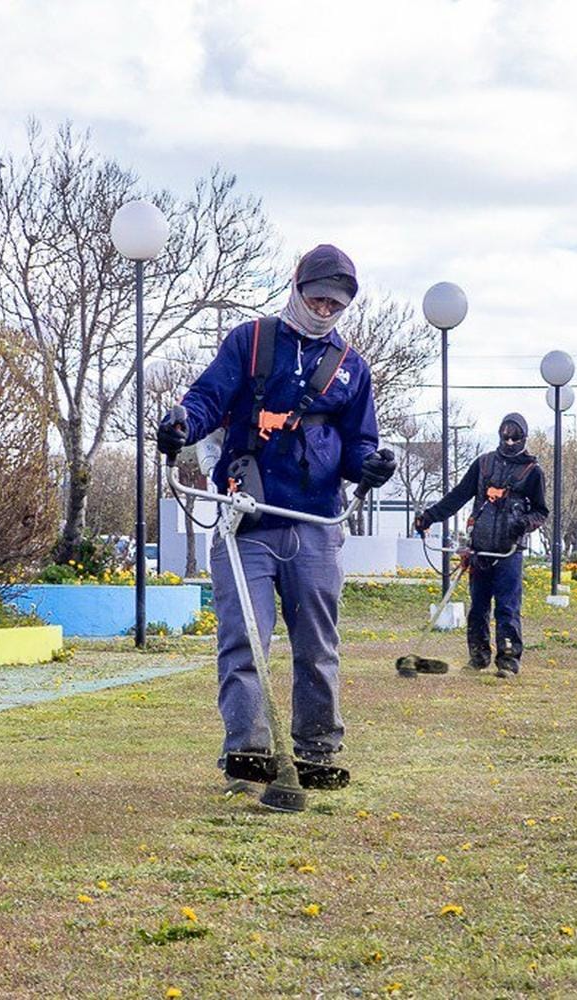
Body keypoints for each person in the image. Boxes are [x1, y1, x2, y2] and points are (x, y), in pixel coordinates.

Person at [156, 244, 396, 778]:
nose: (325, 310)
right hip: (247, 519)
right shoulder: (251, 341)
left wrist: (372, 466)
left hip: (315, 524)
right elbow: (206, 400)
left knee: (317, 644)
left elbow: (359, 444)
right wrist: (180, 426)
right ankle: (248, 748)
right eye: (317, 299)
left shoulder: (352, 368)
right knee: (244, 637)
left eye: (335, 305)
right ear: (296, 286)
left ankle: (316, 749)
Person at [414, 413, 548, 678]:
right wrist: (429, 517)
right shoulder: (483, 464)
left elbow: (541, 512)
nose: (509, 441)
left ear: (524, 437)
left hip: (509, 550)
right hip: (479, 548)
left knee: (507, 607)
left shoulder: (532, 472)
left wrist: (524, 522)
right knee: (477, 606)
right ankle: (478, 656)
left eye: (515, 437)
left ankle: (508, 660)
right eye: (505, 435)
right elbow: (458, 496)